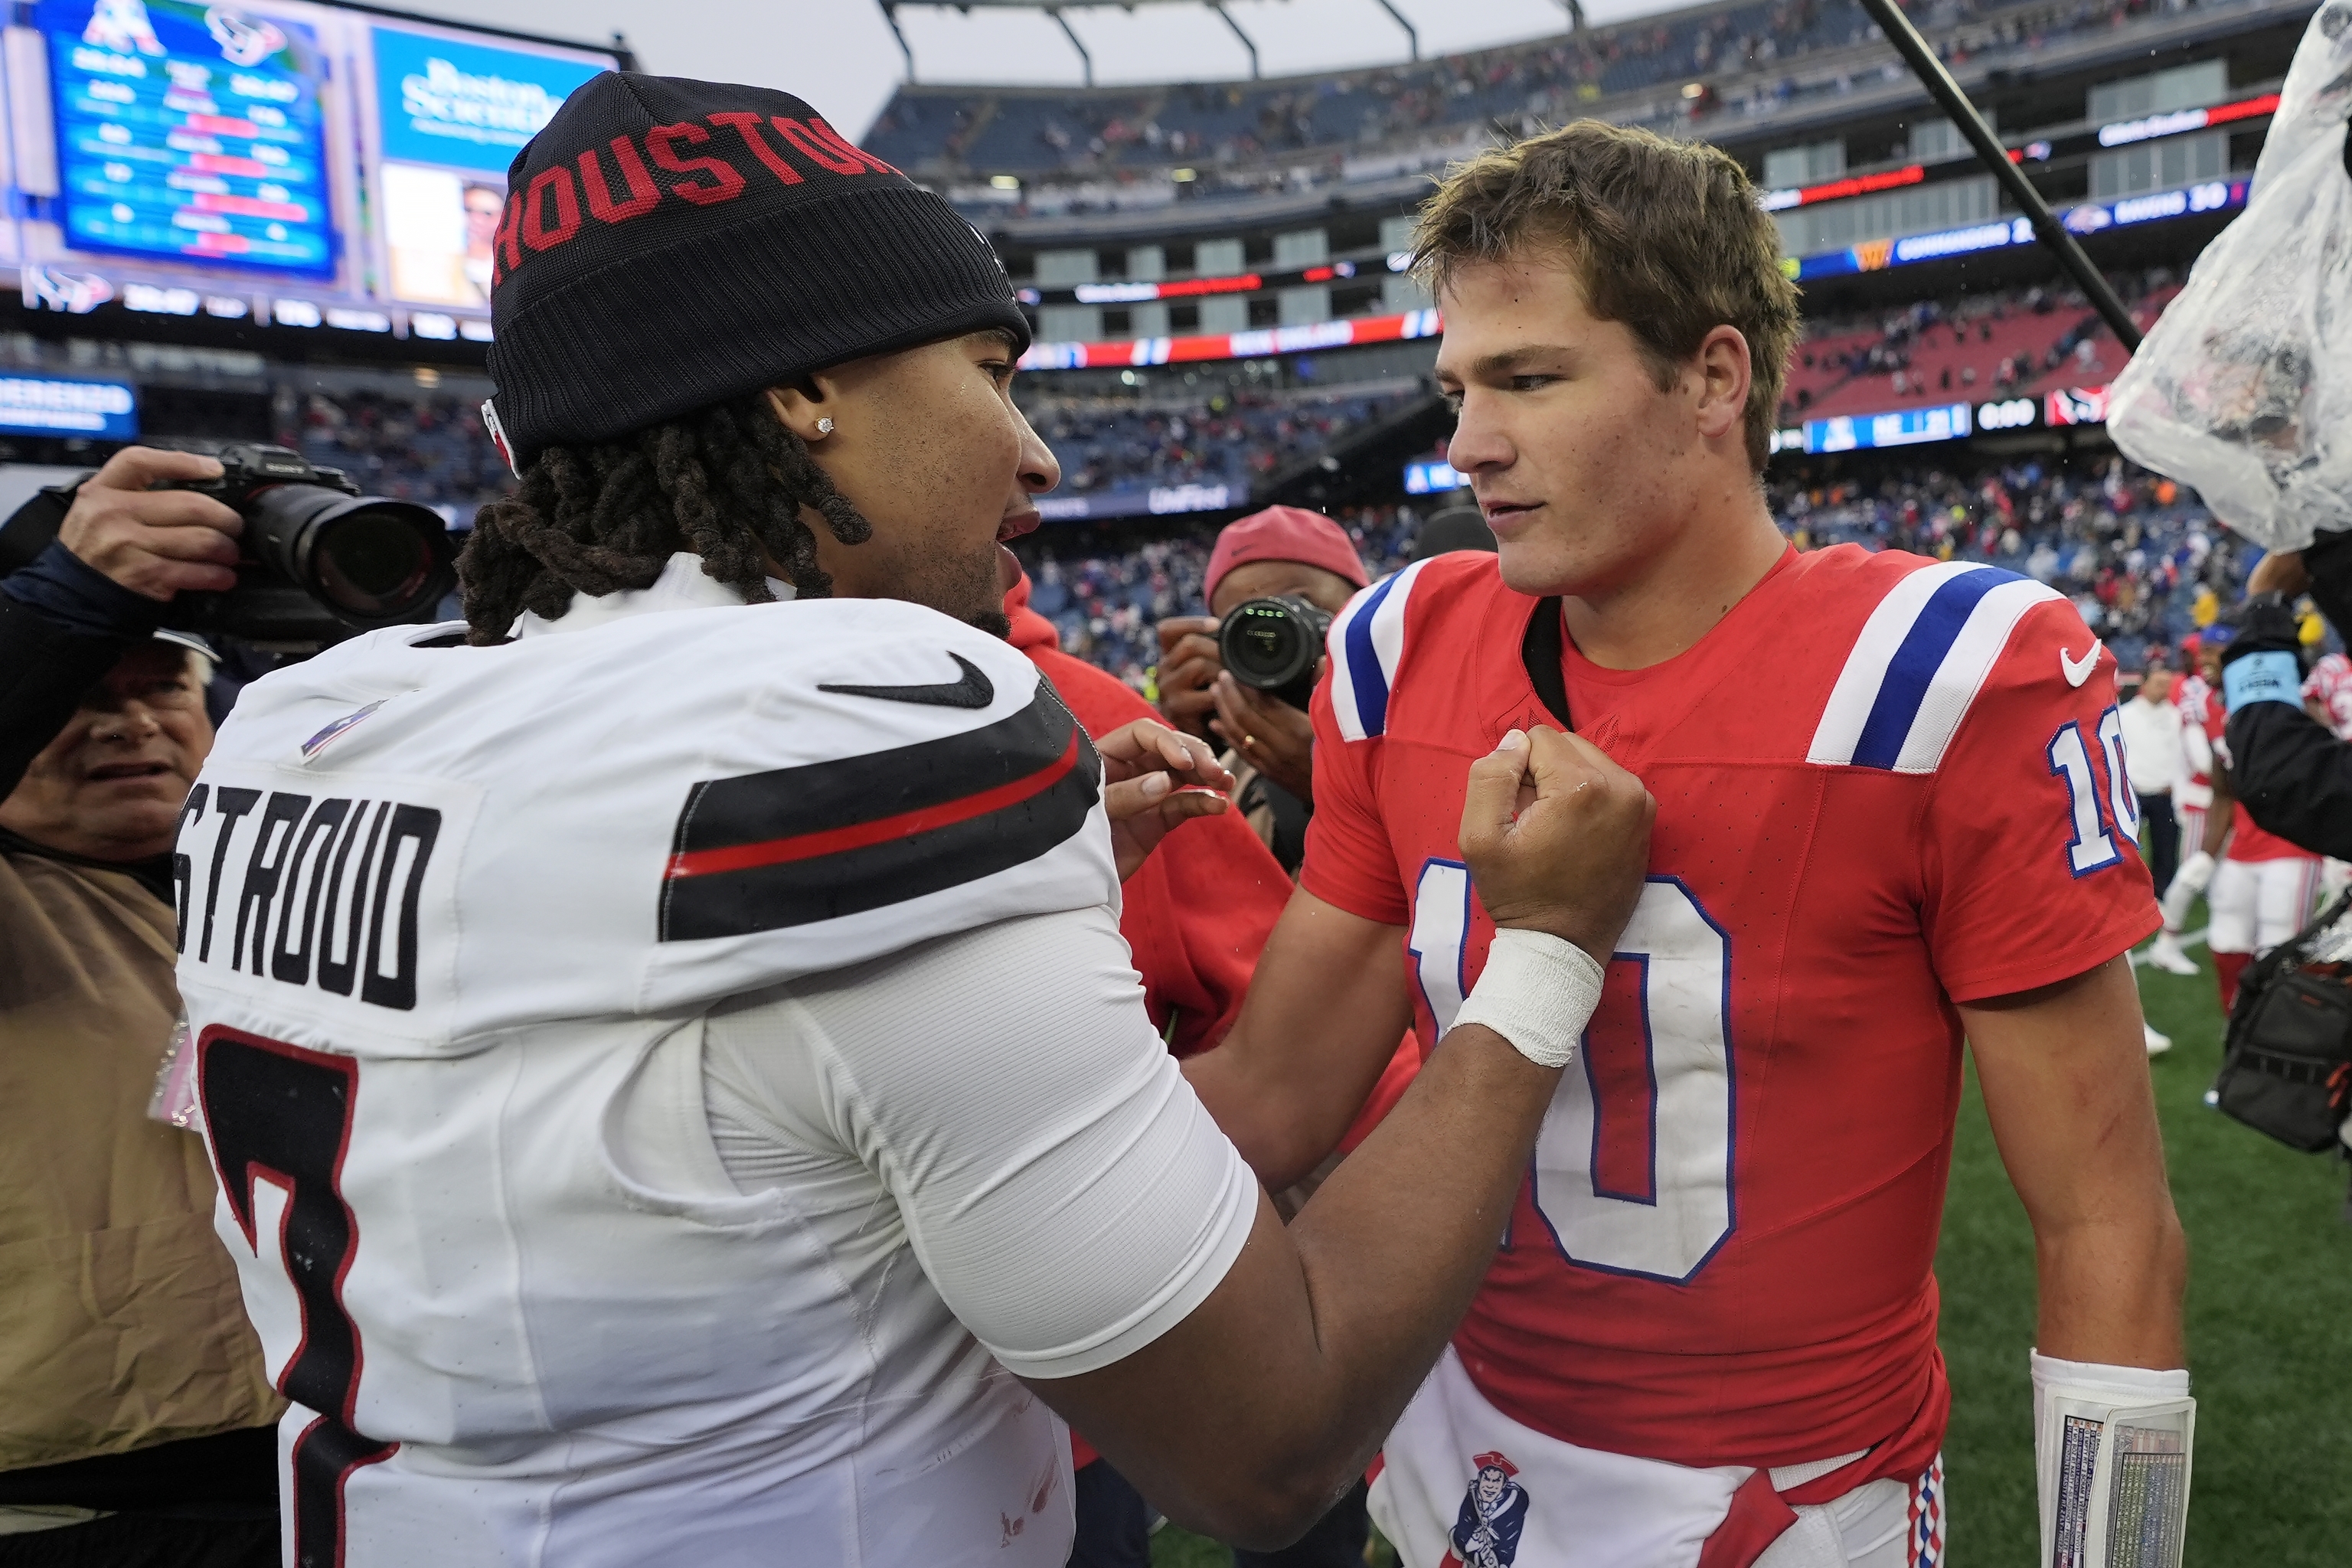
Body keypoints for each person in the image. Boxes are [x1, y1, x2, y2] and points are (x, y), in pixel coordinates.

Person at [172, 75, 1658, 1568]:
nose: (1038, 452)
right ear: (805, 390)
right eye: (987, 366)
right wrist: (1538, 957)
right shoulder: (867, 724)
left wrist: (1007, 900)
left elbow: (648, 1090)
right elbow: (1266, 1443)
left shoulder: (305, 726)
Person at [1185, 121, 2188, 1567]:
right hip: (1456, 1446)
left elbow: (2109, 1231)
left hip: (1779, 1496)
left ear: (1713, 377)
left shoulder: (1945, 674)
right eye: (1457, 387)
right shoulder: (1396, 647)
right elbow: (1274, 1096)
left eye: (1528, 378)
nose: (1467, 441)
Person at [0, 450, 283, 1564]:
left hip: (336, 1463)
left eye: (159, 686)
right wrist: (63, 608)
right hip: (74, 1507)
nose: (126, 725)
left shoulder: (283, 872)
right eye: (80, 692)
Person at [1155, 505, 1368, 874]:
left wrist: (1334, 786)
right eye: (1249, 621)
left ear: (1368, 603)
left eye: (1301, 606)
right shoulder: (1233, 765)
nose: (1276, 636)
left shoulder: (1429, 720)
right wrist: (1182, 752)